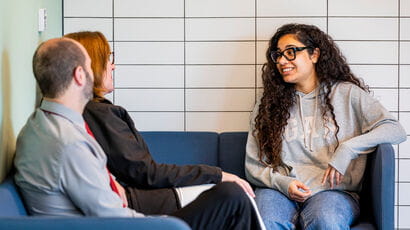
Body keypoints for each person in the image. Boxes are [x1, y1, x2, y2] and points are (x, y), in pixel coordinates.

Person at [14, 37, 262, 230]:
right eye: (90, 67)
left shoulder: (39, 126)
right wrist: (161, 221)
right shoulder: (68, 143)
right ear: (80, 75)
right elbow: (116, 220)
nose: (105, 69)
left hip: (113, 219)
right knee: (232, 197)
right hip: (128, 225)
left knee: (228, 197)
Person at [245, 23, 407, 230]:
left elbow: (395, 130)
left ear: (314, 54)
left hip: (334, 192)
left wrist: (348, 148)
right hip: (278, 190)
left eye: (291, 52)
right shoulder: (268, 103)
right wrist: (283, 183)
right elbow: (253, 165)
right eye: (278, 55)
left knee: (326, 221)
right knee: (265, 222)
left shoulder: (347, 94)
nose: (282, 61)